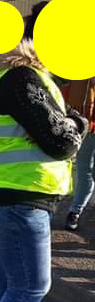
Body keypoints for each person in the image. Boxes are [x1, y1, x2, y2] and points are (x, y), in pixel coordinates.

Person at [0, 5, 87, 301]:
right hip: (19, 196)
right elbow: (63, 141)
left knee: (8, 284)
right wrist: (79, 123)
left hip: (6, 193)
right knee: (30, 287)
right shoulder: (23, 79)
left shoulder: (9, 76)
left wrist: (70, 120)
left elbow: (57, 122)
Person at [64, 77, 95, 231]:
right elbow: (67, 89)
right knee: (84, 171)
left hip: (90, 124)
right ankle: (74, 211)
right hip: (83, 125)